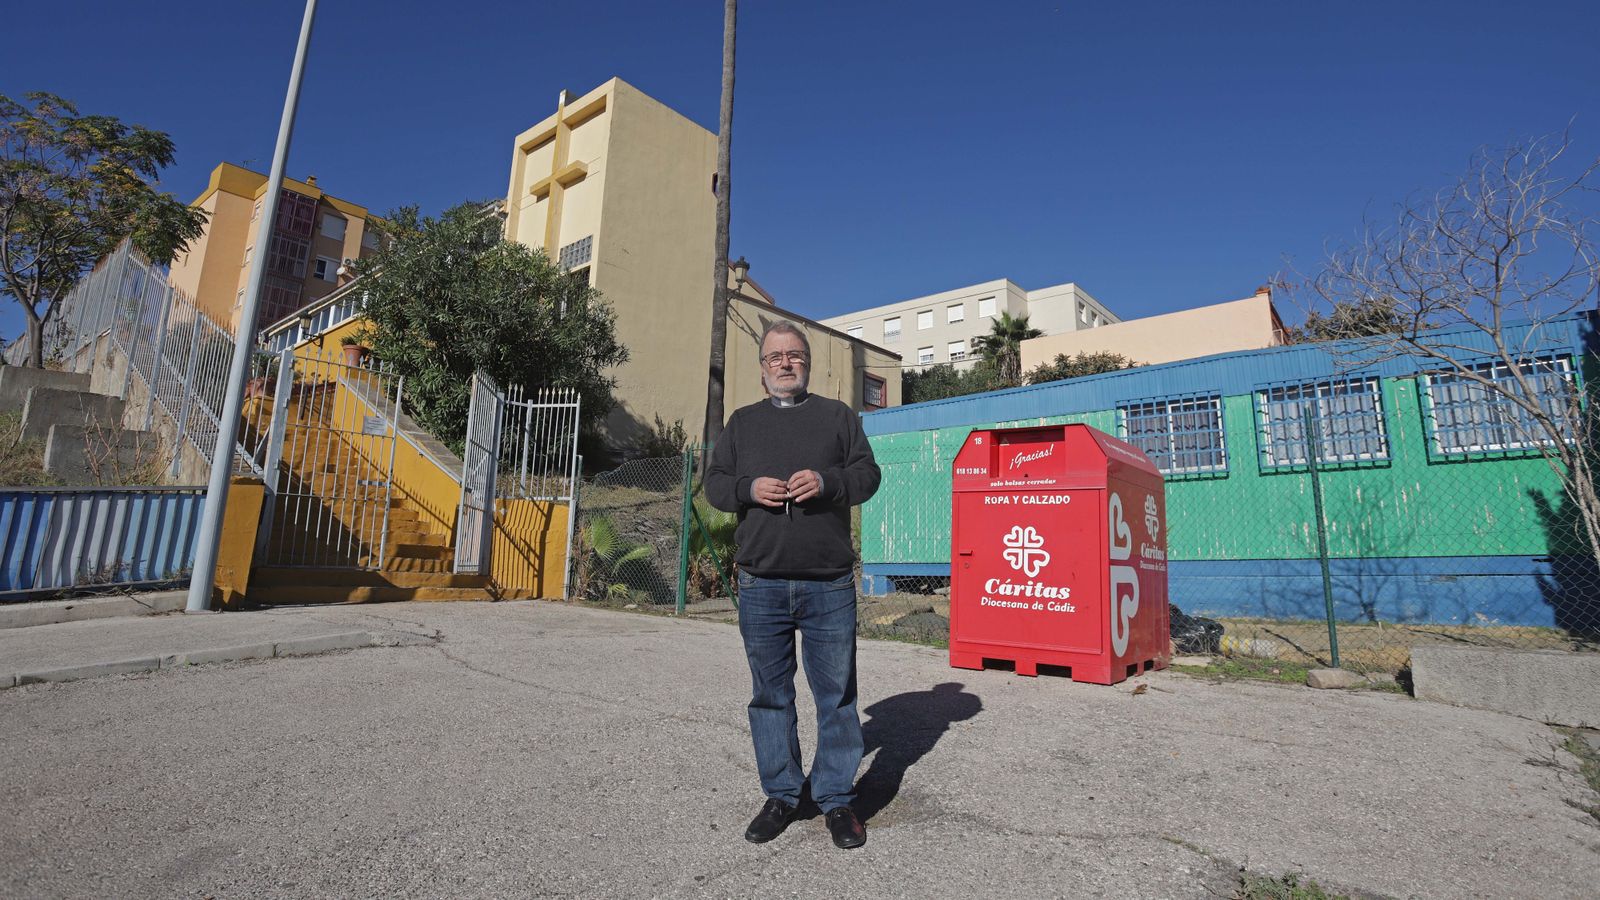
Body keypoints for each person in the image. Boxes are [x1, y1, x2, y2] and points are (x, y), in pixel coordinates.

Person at [705, 320, 882, 850]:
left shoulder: (838, 416)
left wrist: (829, 483)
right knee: (770, 696)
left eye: (795, 354)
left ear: (808, 363)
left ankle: (835, 800)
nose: (785, 362)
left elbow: (868, 475)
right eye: (775, 357)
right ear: (762, 371)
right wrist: (747, 488)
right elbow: (713, 485)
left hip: (827, 584)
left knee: (836, 697)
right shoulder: (740, 423)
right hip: (760, 583)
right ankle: (782, 793)